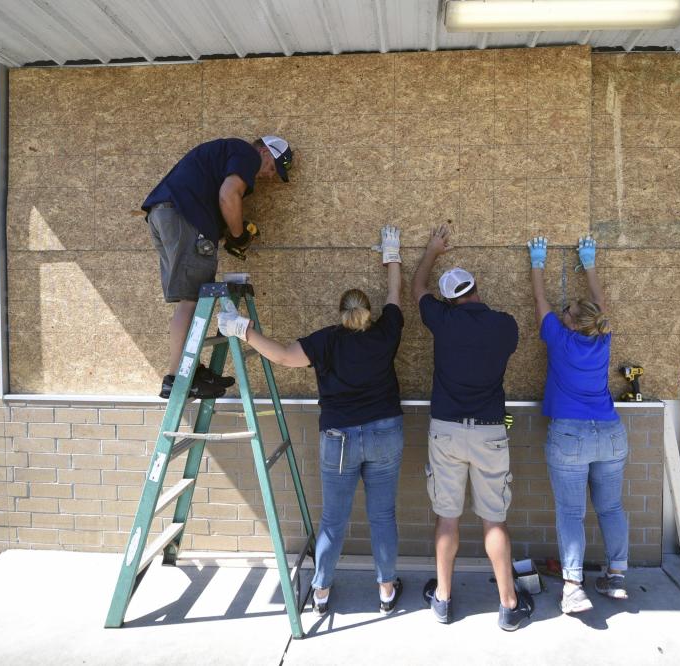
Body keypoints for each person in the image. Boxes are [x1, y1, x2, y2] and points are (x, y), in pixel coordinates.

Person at [217, 226, 406, 617]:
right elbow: (395, 296)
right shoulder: (387, 331)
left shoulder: (327, 340)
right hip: (385, 432)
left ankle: (320, 592)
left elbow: (284, 356)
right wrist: (392, 255)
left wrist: (243, 329)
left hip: (339, 439)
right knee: (382, 516)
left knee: (333, 520)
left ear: (341, 313)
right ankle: (386, 589)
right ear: (369, 312)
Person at [411, 223, 533, 632]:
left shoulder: (442, 321)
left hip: (445, 431)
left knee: (447, 519)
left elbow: (418, 288)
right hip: (489, 433)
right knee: (493, 522)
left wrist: (432, 249)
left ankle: (443, 599)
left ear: (449, 300)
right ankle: (508, 605)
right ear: (477, 288)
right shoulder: (505, 326)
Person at [143, 135, 295, 399]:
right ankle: (176, 376)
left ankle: (193, 369)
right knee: (191, 300)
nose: (269, 176)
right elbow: (228, 196)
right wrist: (238, 236)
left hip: (164, 215)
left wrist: (230, 230)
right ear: (264, 151)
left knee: (187, 300)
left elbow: (219, 200)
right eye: (273, 167)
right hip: (182, 216)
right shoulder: (246, 153)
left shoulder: (224, 155)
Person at [527, 234, 630, 614]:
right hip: (610, 434)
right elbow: (599, 306)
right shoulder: (601, 338)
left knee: (571, 513)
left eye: (566, 310)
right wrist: (589, 262)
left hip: (570, 435)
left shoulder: (559, 339)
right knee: (611, 507)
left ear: (570, 322)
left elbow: (540, 302)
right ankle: (616, 576)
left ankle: (574, 587)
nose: (562, 311)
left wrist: (537, 263)